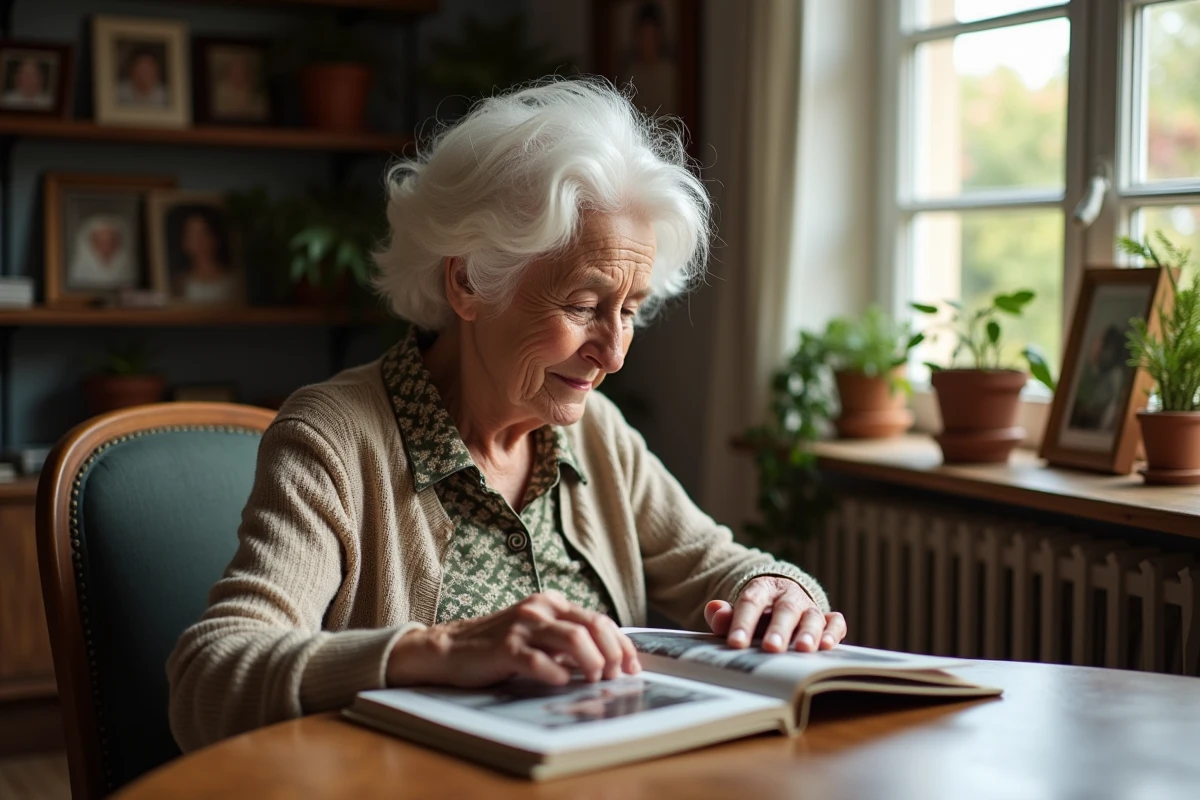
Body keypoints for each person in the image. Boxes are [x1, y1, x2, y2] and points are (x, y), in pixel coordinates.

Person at [167, 79, 846, 752]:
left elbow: (717, 563)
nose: (612, 354)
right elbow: (211, 680)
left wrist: (777, 590)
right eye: (583, 306)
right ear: (467, 281)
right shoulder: (336, 439)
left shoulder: (597, 433)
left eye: (630, 310)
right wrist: (434, 651)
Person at [170, 208, 239, 304]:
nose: (199, 241)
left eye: (204, 233)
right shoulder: (179, 284)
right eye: (192, 235)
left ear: (215, 238)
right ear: (184, 242)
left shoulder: (234, 281)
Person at [67, 214, 135, 290]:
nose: (106, 246)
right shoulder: (79, 269)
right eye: (100, 242)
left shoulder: (129, 267)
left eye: (111, 241)